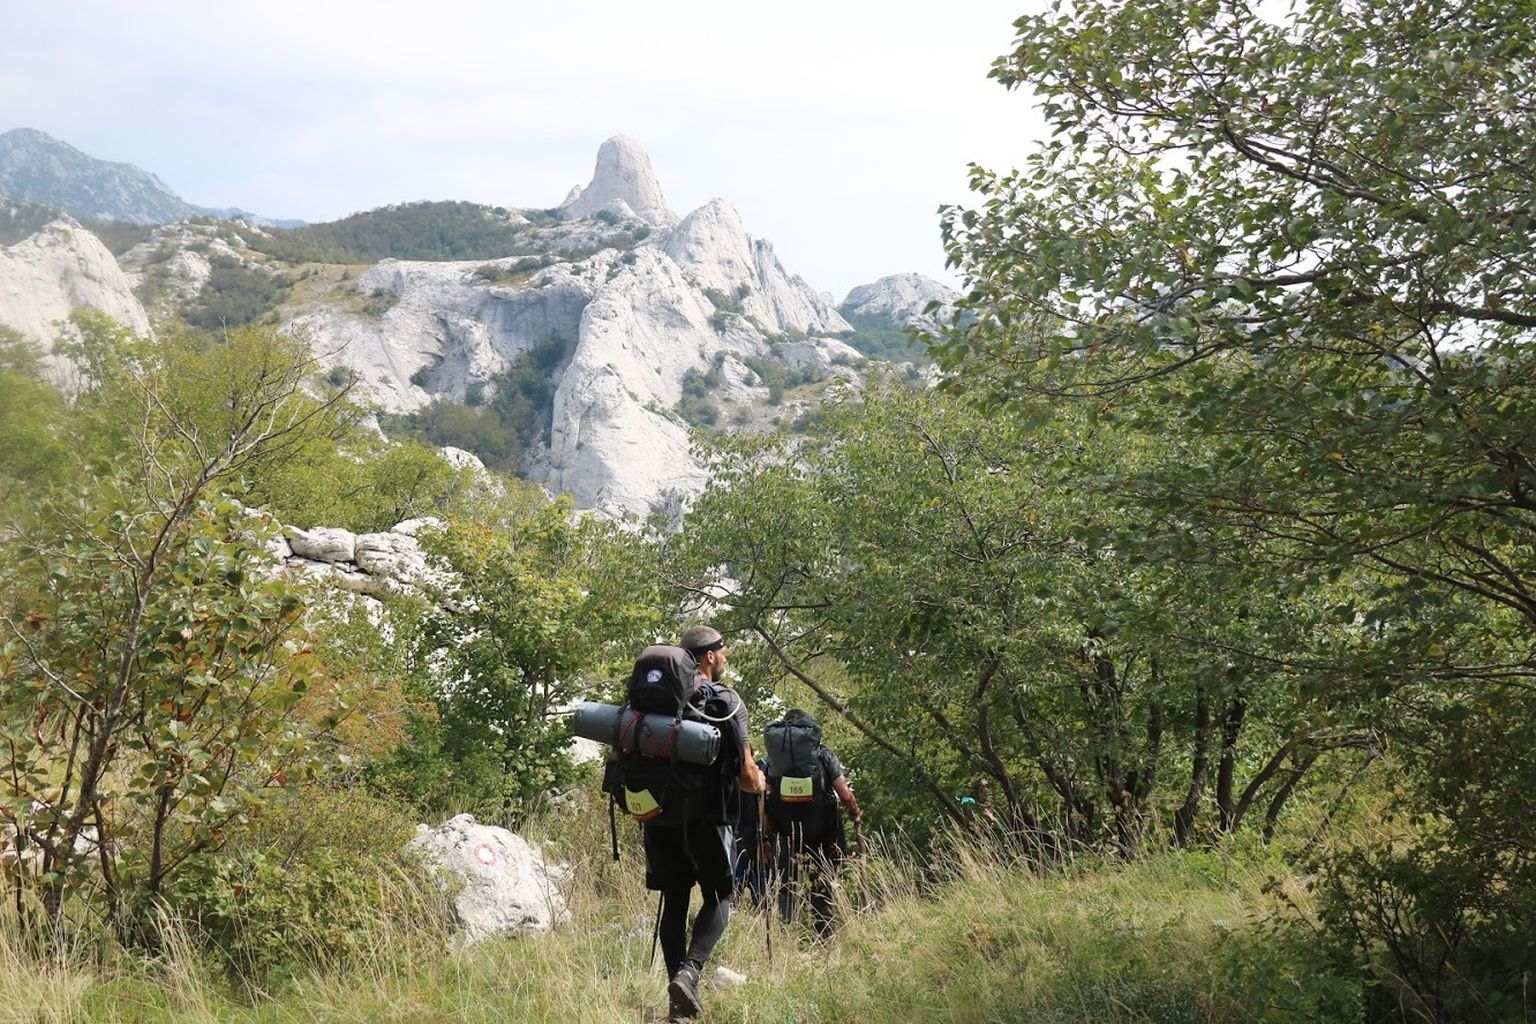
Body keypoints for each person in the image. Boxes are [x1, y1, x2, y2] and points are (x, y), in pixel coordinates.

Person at [643, 625, 765, 1022]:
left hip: (659, 814)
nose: (725, 658)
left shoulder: (655, 700)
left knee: (675, 901)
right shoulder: (726, 701)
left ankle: (678, 1007)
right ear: (710, 656)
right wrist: (760, 783)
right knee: (719, 897)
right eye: (723, 651)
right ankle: (690, 972)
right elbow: (747, 773)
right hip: (708, 816)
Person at [764, 708, 862, 938]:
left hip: (785, 835)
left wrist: (765, 832)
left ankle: (785, 938)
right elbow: (844, 794)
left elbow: (763, 798)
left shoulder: (773, 761)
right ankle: (824, 938)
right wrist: (854, 811)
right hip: (821, 834)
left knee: (785, 887)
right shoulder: (823, 755)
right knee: (821, 888)